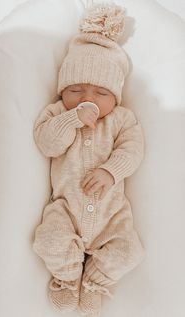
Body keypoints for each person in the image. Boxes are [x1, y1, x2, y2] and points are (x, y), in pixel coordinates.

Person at [33, 3, 145, 317]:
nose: (87, 99)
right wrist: (72, 120)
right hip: (66, 208)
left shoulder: (122, 120)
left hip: (112, 214)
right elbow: (47, 144)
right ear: (62, 91)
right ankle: (68, 279)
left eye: (100, 93)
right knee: (48, 240)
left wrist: (111, 171)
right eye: (76, 89)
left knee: (129, 251)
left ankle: (95, 282)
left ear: (115, 97)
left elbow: (133, 150)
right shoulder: (57, 114)